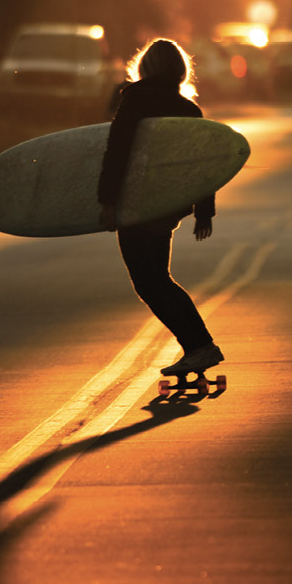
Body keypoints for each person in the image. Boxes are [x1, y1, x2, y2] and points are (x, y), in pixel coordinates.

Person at [98, 38, 224, 376]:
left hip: (136, 204)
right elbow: (203, 164)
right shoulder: (189, 110)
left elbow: (118, 150)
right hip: (166, 207)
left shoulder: (135, 100)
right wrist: (203, 210)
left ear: (145, 67)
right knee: (158, 279)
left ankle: (200, 346)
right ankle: (199, 347)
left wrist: (107, 200)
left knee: (149, 282)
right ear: (179, 70)